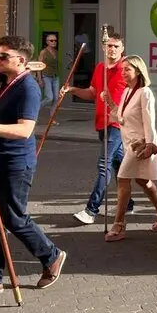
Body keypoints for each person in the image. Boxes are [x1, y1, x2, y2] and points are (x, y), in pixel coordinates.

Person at [0, 36, 66, 298]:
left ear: (21, 60)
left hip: (15, 163)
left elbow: (26, 129)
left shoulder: (28, 88)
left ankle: (51, 255)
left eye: (3, 56)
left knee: (12, 217)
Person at [63, 32, 130, 225]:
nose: (112, 49)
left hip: (117, 123)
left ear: (122, 49)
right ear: (103, 48)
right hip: (101, 122)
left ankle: (91, 210)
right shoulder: (100, 68)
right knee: (119, 163)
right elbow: (93, 92)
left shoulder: (126, 68)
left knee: (104, 165)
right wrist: (73, 90)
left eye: (116, 46)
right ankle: (129, 204)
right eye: (109, 46)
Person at [105, 56, 157, 242]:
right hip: (128, 143)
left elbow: (149, 121)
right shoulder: (127, 92)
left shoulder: (145, 93)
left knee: (122, 179)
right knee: (142, 180)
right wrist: (109, 102)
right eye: (122, 69)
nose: (123, 73)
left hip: (140, 144)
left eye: (127, 69)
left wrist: (151, 144)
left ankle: (119, 224)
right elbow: (122, 117)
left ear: (138, 71)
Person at [36, 33, 60, 110]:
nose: (54, 42)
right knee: (49, 98)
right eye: (51, 40)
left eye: (55, 40)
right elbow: (39, 66)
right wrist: (40, 79)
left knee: (56, 98)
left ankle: (52, 119)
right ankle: (34, 110)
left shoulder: (56, 52)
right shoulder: (43, 52)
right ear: (47, 42)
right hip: (46, 76)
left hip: (55, 77)